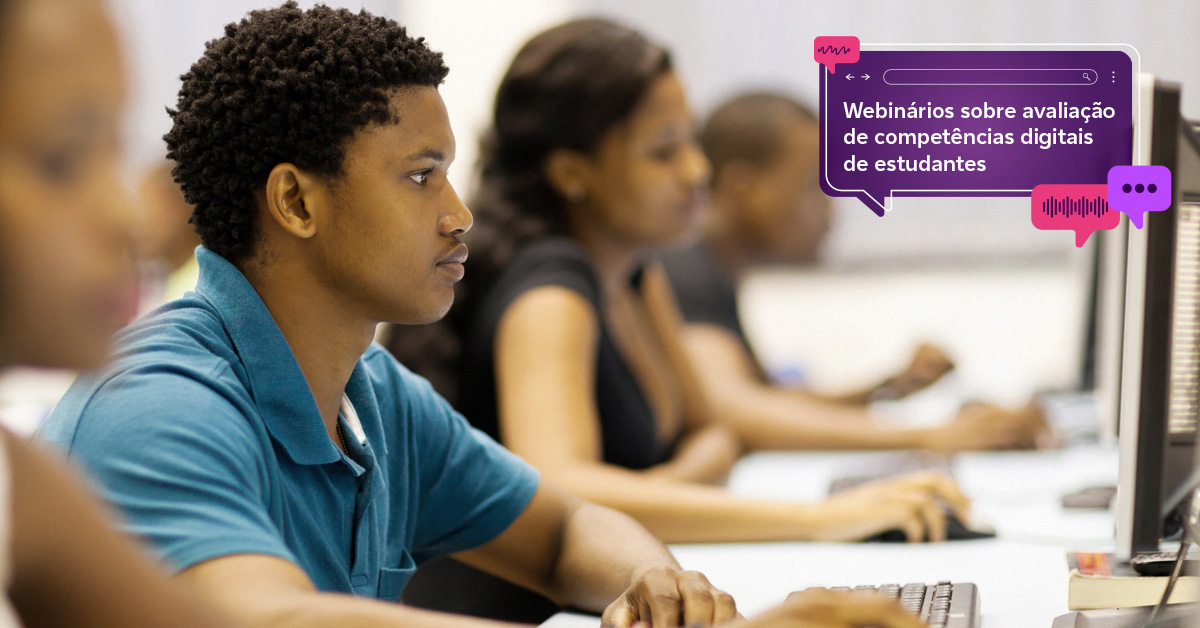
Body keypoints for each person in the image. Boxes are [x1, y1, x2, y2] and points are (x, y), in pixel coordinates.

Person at [37, 4, 746, 628]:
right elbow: (269, 618)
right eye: (419, 178)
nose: (459, 216)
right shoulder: (158, 403)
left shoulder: (371, 392)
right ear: (297, 203)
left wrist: (657, 585)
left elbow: (566, 529)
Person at [388, 18, 972, 548]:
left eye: (691, 141)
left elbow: (715, 426)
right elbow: (566, 489)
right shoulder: (550, 292)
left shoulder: (635, 270)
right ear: (572, 172)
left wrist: (670, 481)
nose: (698, 171)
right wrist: (820, 517)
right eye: (664, 152)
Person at [0, 0, 253, 624]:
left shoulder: (19, 483)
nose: (129, 216)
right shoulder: (162, 391)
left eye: (116, 151)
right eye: (62, 159)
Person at [659, 92, 1048, 452]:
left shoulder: (712, 271)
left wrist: (886, 388)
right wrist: (931, 436)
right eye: (814, 186)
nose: (831, 209)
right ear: (742, 188)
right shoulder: (685, 272)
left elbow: (768, 398)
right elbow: (735, 409)